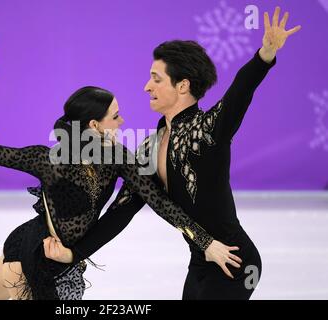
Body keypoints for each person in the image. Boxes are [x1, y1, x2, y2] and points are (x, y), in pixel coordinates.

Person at [44, 7, 301, 300]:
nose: (146, 86)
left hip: (234, 260)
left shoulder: (208, 130)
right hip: (201, 261)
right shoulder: (149, 147)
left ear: (182, 86)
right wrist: (75, 253)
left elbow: (238, 94)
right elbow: (120, 212)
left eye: (156, 78)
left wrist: (264, 55)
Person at [0, 86, 240, 300]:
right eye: (115, 116)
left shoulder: (118, 159)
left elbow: (158, 201)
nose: (123, 121)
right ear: (94, 126)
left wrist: (204, 242)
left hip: (65, 261)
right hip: (33, 254)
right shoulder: (49, 159)